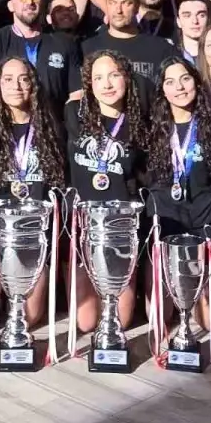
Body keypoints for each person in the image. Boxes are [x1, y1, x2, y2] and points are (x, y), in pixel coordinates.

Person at [0, 57, 68, 336]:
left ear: (33, 85)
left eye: (23, 79)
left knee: (29, 316)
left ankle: (12, 300)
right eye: (8, 79)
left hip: (33, 231)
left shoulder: (50, 129)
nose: (16, 86)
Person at [64, 50, 147, 336]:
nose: (107, 84)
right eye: (98, 77)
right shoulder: (73, 114)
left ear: (126, 78)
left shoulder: (140, 124)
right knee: (86, 322)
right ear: (89, 83)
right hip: (84, 227)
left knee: (119, 321)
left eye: (114, 75)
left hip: (120, 230)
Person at [143, 58, 211, 332]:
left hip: (201, 223)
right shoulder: (152, 129)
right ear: (162, 90)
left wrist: (207, 213)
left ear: (197, 83)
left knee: (210, 323)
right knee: (159, 319)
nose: (179, 87)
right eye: (170, 82)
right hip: (165, 223)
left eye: (185, 79)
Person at [0, 0, 82, 110]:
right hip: (7, 121)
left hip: (54, 120)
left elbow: (76, 94)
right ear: (10, 6)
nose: (30, 2)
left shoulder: (63, 43)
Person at [82, 0, 176, 98]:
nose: (118, 10)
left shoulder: (160, 48)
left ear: (137, 7)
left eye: (126, 3)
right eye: (112, 3)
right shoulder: (88, 48)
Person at [174, 0, 211, 70]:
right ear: (178, 22)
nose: (195, 21)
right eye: (187, 16)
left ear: (208, 20)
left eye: (201, 15)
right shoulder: (170, 55)